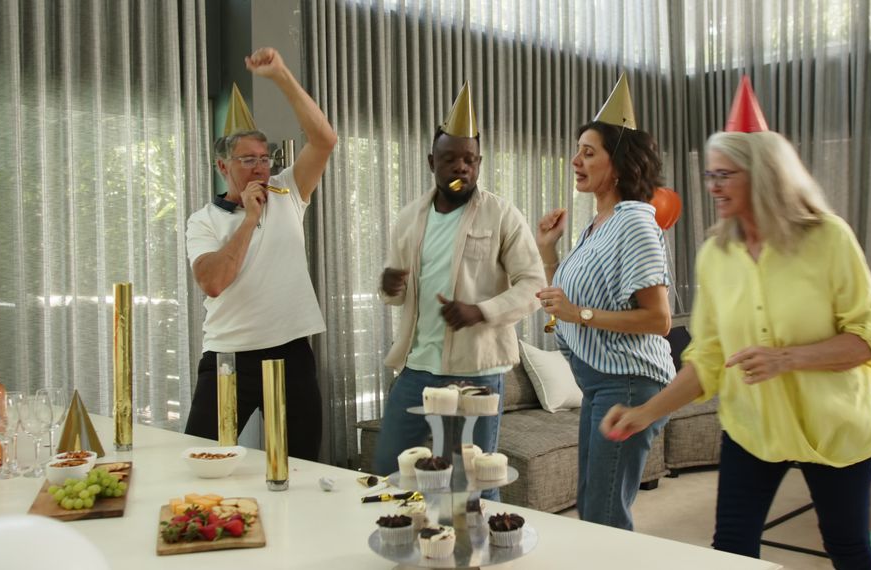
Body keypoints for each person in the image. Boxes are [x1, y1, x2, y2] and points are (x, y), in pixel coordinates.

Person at [601, 78, 871, 568]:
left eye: (725, 175)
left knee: (846, 547)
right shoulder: (717, 253)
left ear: (764, 175)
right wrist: (644, 414)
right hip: (753, 426)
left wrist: (787, 358)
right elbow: (709, 358)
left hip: (835, 427)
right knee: (732, 551)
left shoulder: (828, 239)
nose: (712, 186)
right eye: (710, 174)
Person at [372, 84, 545, 499]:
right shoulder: (409, 218)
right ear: (432, 161)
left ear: (479, 163)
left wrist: (481, 311)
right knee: (392, 472)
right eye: (450, 159)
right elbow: (397, 292)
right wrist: (389, 285)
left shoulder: (502, 214)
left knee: (474, 482)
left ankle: (480, 540)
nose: (461, 168)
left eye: (470, 159)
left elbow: (534, 284)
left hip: (478, 372)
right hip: (417, 368)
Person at [534, 74, 675, 530]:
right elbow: (564, 302)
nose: (576, 160)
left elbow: (659, 319)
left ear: (618, 164)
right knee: (592, 505)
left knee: (604, 513)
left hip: (628, 382)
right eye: (577, 151)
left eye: (589, 152)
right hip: (597, 382)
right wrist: (549, 250)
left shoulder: (634, 222)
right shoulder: (598, 225)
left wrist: (579, 314)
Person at [183, 47, 337, 461]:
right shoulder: (203, 221)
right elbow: (213, 282)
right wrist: (249, 219)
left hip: (291, 352)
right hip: (228, 357)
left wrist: (281, 74)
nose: (260, 169)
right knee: (203, 458)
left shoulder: (288, 191)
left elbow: (325, 140)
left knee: (299, 464)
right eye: (248, 160)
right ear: (223, 167)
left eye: (265, 159)